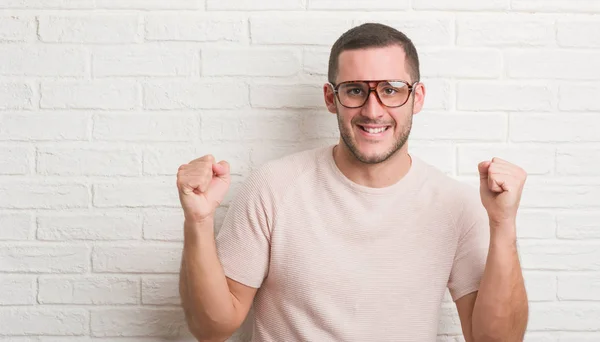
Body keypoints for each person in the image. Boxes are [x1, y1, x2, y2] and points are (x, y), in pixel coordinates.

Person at [177, 23, 529, 342]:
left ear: (417, 98)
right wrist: (198, 221)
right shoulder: (272, 188)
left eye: (391, 90)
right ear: (331, 99)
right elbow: (212, 327)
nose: (373, 110)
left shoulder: (456, 204)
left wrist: (502, 225)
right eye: (355, 90)